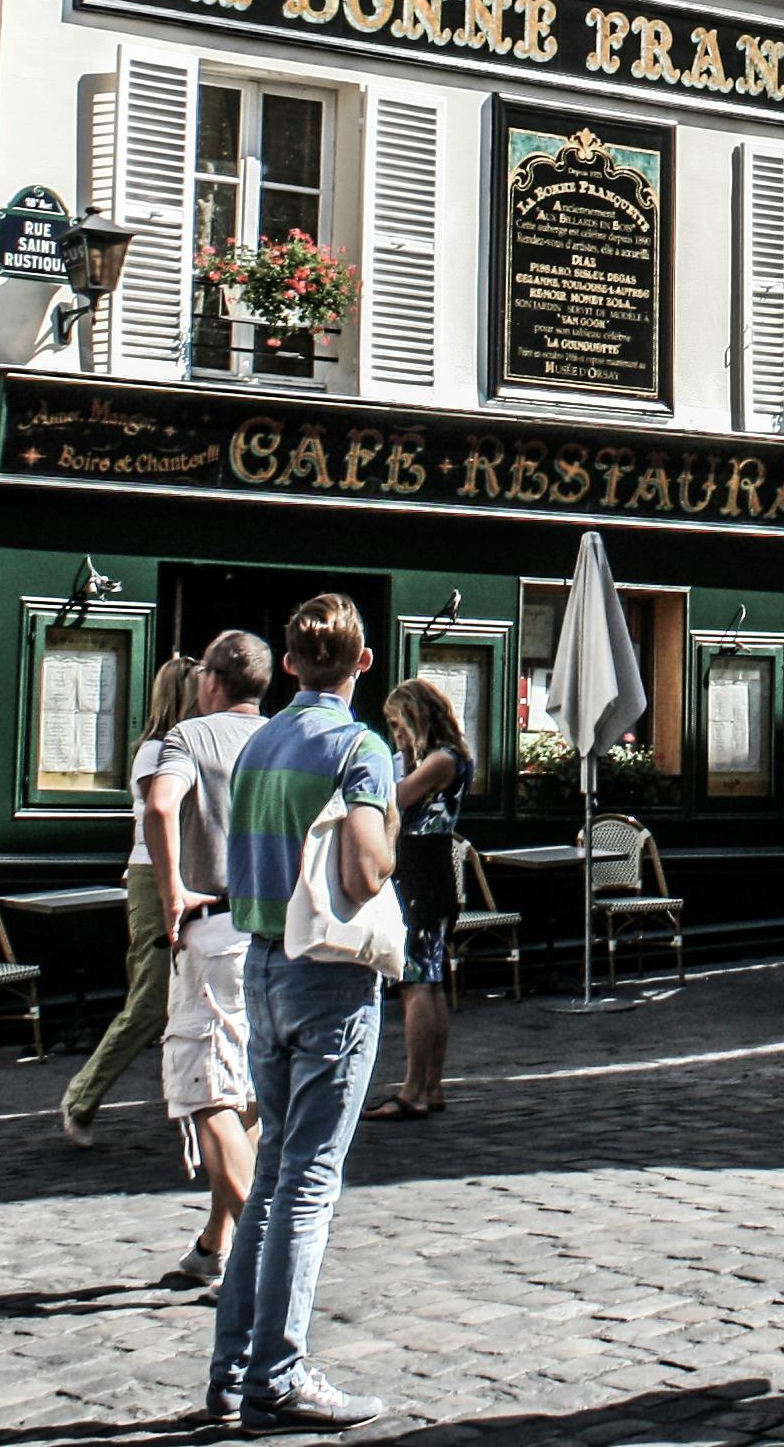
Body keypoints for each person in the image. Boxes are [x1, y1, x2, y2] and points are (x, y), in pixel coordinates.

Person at [205, 594, 402, 1432]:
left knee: (277, 1176)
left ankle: (235, 1367)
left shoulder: (260, 746)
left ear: (289, 663)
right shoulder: (360, 746)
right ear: (362, 663)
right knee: (310, 1182)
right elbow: (363, 873)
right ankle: (279, 1371)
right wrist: (393, 821)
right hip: (329, 977)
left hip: (260, 966)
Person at [151, 631, 274, 1292]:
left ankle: (257, 1246)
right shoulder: (283, 738)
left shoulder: (191, 738)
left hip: (215, 926)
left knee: (208, 1091)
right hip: (278, 933)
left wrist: (171, 888)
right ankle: (216, 1241)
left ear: (211, 683)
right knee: (246, 1090)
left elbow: (160, 804)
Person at [64, 654, 208, 1144]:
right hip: (153, 876)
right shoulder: (155, 751)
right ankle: (83, 1095)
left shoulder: (190, 745)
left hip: (192, 873)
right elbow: (167, 811)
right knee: (151, 999)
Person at [367, 675, 468, 1120]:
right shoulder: (446, 757)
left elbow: (396, 799)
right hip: (429, 870)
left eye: (397, 724)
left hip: (421, 874)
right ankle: (432, 1085)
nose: (396, 735)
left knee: (416, 984)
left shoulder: (442, 760)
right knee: (430, 980)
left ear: (414, 717)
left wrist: (403, 758)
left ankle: (412, 1089)